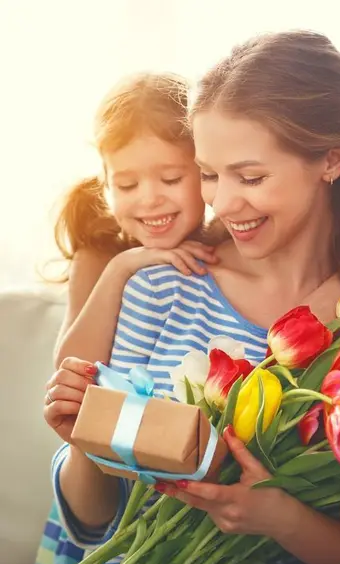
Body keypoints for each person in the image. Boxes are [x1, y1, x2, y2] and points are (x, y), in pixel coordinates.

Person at [35, 30, 340, 564]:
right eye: (208, 174)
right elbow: (93, 526)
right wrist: (83, 440)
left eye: (250, 177)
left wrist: (282, 520)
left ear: (332, 160)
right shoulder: (161, 287)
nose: (222, 203)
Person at [47, 71, 220, 371]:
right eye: (127, 185)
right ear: (107, 183)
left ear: (205, 170)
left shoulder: (223, 246)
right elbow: (70, 368)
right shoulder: (98, 256)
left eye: (171, 179)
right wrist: (121, 268)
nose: (150, 199)